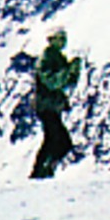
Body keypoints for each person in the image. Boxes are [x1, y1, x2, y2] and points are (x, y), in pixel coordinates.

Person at [30, 28, 83, 179]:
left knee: (54, 139)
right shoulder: (47, 58)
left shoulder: (56, 57)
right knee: (58, 140)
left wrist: (72, 72)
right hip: (46, 105)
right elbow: (52, 82)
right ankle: (41, 171)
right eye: (60, 38)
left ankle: (42, 171)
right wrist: (68, 71)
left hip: (50, 105)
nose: (63, 42)